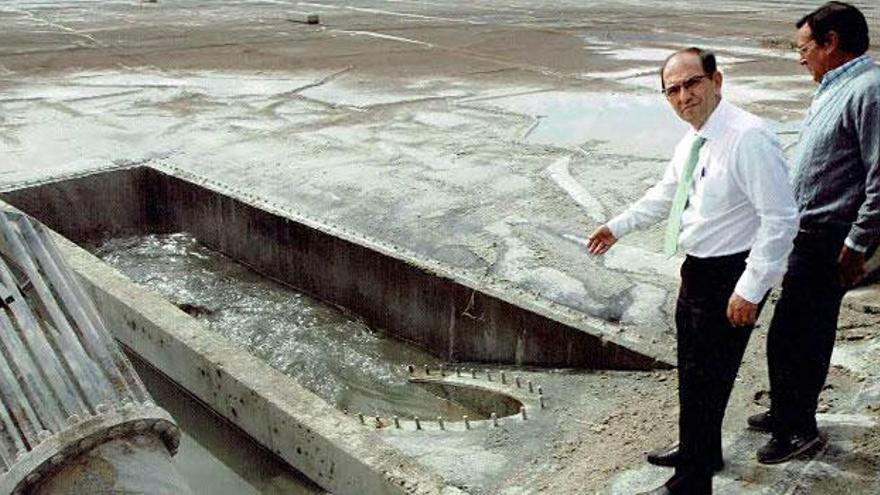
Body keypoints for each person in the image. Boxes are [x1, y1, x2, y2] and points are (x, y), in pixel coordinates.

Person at [587, 47, 798, 494]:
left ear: (716, 81)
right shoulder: (695, 137)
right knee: (693, 371)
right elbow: (667, 194)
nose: (685, 95)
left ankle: (692, 482)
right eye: (674, 89)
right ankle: (698, 449)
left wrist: (751, 288)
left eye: (692, 83)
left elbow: (780, 220)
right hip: (698, 272)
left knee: (708, 378)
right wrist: (617, 226)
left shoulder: (748, 138)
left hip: (730, 276)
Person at [748, 1, 880, 464]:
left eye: (805, 48)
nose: (800, 57)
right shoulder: (835, 86)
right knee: (792, 331)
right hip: (807, 234)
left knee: (798, 334)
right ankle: (787, 410)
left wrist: (857, 243)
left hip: (832, 237)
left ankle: (798, 428)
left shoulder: (870, 90)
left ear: (832, 42)